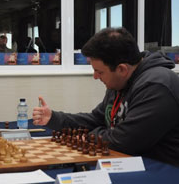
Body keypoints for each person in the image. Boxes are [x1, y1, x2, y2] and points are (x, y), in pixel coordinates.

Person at [32, 27, 179, 167]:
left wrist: (85, 136)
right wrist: (53, 118)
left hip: (163, 171)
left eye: (99, 72)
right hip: (127, 163)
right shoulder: (119, 82)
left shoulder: (157, 86)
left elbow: (122, 141)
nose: (95, 77)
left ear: (122, 69)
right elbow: (96, 120)